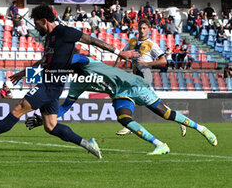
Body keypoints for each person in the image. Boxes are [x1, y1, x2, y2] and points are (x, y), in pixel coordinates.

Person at [0, 4, 138, 159]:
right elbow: (45, 60)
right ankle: (88, 143)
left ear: (45, 20)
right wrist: (24, 72)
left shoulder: (65, 32)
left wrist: (119, 52)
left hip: (51, 85)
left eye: (37, 23)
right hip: (49, 84)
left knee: (18, 108)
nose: (36, 27)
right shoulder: (49, 38)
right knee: (50, 126)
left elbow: (92, 40)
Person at [25, 54, 218, 154]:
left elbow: (75, 57)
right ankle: (160, 145)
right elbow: (65, 107)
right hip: (119, 93)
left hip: (134, 85)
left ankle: (201, 128)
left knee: (165, 114)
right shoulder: (76, 83)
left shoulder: (87, 62)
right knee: (124, 118)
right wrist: (44, 119)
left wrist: (56, 62)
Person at [115, 18, 167, 135]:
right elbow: (121, 54)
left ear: (148, 29)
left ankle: (128, 124)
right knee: (155, 103)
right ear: (137, 29)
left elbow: (164, 60)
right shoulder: (132, 41)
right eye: (140, 28)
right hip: (136, 75)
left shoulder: (151, 44)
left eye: (144, 28)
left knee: (129, 95)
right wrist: (114, 68)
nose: (142, 30)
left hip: (145, 76)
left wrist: (147, 63)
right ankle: (179, 120)